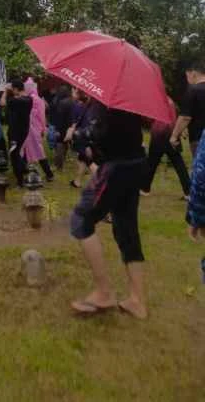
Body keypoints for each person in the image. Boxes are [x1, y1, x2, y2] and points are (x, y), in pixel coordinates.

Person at [69, 105, 148, 318]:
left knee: (81, 220)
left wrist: (79, 134)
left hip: (116, 167)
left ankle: (104, 292)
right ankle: (137, 301)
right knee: (126, 229)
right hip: (135, 162)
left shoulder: (106, 103)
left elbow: (101, 133)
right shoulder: (129, 99)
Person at [144, 98, 191, 199]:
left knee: (151, 163)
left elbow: (149, 119)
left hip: (159, 134)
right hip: (172, 132)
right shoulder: (170, 101)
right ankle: (188, 191)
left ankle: (145, 189)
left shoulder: (155, 101)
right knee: (178, 164)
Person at [171, 60, 205, 159]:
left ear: (193, 73)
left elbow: (185, 117)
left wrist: (174, 136)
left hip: (199, 139)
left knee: (201, 170)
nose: (187, 80)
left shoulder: (193, 90)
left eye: (187, 76)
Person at [2, 80, 33, 186]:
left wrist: (6, 92)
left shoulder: (15, 101)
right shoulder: (29, 99)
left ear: (15, 89)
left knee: (14, 155)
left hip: (15, 132)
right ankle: (25, 170)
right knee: (16, 152)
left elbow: (2, 103)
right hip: (24, 130)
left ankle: (21, 179)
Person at [23, 79, 55, 181]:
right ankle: (32, 171)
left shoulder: (33, 99)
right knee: (31, 150)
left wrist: (43, 128)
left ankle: (47, 173)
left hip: (32, 129)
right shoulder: (37, 99)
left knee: (37, 151)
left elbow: (40, 115)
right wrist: (43, 127)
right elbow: (42, 116)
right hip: (34, 128)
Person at [50, 85, 75, 171]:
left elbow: (60, 117)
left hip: (62, 127)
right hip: (70, 126)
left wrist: (57, 129)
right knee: (66, 144)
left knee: (59, 144)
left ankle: (59, 165)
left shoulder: (61, 103)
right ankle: (61, 162)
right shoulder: (72, 101)